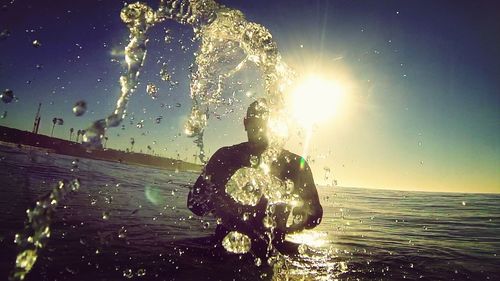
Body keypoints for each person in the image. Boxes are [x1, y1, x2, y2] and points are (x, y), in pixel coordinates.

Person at [187, 98, 322, 257]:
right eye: (255, 120)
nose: (259, 125)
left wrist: (303, 214)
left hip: (257, 251)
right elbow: (195, 205)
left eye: (263, 121)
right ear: (245, 123)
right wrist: (215, 200)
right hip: (237, 249)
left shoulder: (295, 164)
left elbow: (314, 216)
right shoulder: (225, 157)